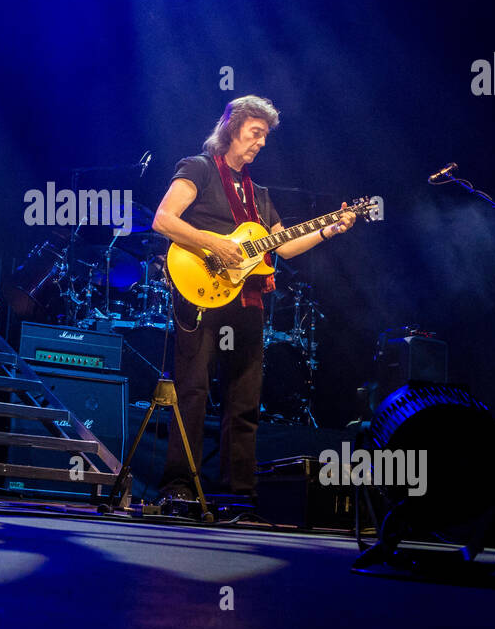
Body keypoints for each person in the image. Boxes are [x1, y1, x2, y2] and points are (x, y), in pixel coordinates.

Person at [150, 95, 355, 505]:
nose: (261, 142)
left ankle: (238, 493)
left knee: (244, 401)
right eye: (255, 132)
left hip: (246, 304)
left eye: (265, 135)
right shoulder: (199, 169)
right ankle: (178, 487)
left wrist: (330, 228)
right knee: (192, 392)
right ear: (232, 127)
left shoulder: (257, 194)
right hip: (201, 295)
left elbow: (285, 246)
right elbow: (164, 220)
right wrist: (214, 244)